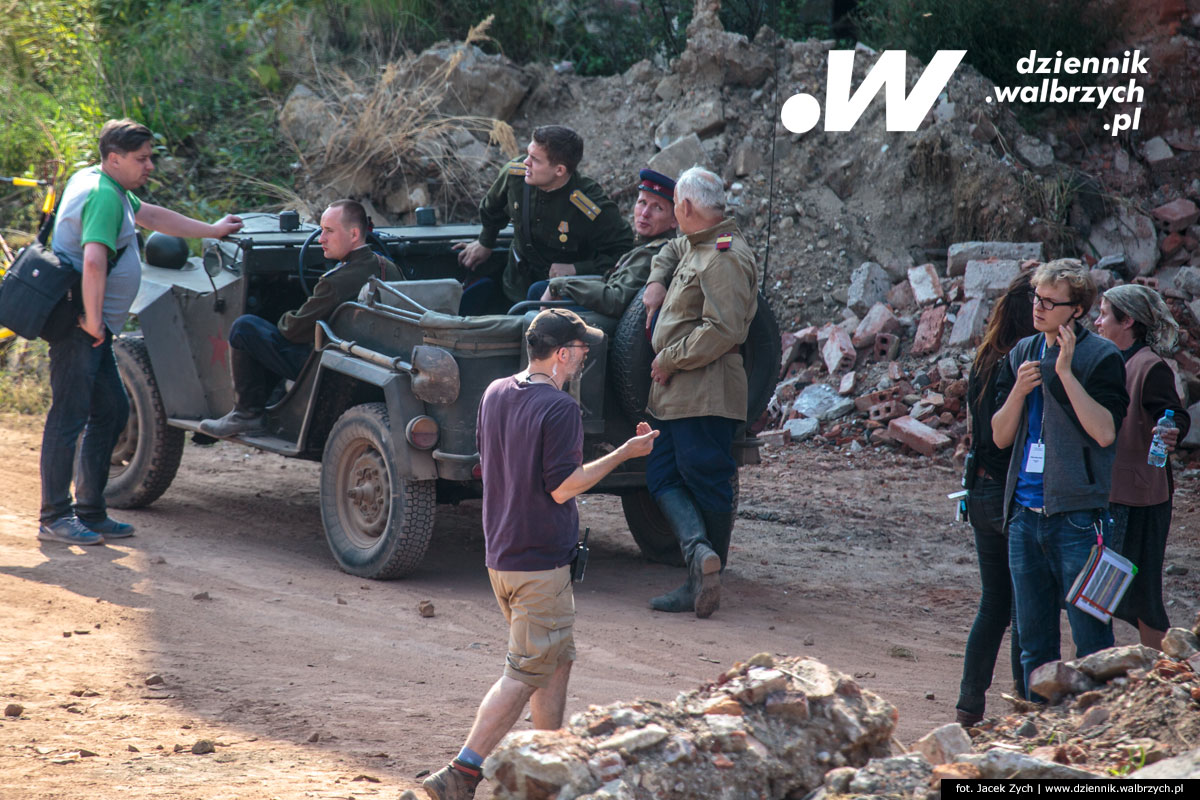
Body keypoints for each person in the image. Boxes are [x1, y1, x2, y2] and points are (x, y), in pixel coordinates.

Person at [410, 309, 658, 800]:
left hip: (502, 555)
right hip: (540, 562)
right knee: (524, 673)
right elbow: (564, 487)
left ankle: (550, 763)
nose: (586, 354)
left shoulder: (496, 391)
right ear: (563, 353)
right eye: (583, 347)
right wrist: (625, 453)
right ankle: (461, 772)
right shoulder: (561, 409)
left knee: (556, 659)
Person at [39, 118, 243, 546]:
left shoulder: (105, 184)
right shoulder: (103, 196)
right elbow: (94, 260)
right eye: (142, 158)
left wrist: (211, 230)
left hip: (93, 330)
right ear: (115, 158)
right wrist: (94, 321)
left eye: (150, 157)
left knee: (111, 410)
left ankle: (90, 511)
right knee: (68, 418)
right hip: (81, 328)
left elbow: (149, 215)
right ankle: (56, 516)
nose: (150, 165)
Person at [991, 259, 1128, 699]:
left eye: (1051, 302)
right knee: (1034, 645)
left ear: (1076, 310)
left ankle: (1096, 731)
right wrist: (1018, 391)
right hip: (1024, 519)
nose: (1039, 307)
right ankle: (1040, 740)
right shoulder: (1023, 353)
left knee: (1092, 641)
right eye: (1037, 298)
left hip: (1080, 520)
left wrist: (1065, 374)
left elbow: (1105, 431)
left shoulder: (1101, 357)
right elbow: (999, 436)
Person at [639, 166, 758, 618]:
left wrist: (669, 358)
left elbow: (723, 329)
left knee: (705, 476)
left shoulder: (723, 255)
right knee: (661, 475)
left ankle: (707, 576)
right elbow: (670, 249)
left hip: (705, 390)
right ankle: (698, 555)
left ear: (684, 208)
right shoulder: (698, 243)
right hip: (678, 395)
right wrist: (655, 280)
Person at [199, 200, 400, 438]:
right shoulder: (387, 267)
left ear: (354, 234)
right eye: (321, 230)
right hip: (375, 360)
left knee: (245, 328)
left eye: (329, 231)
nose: (320, 239)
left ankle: (247, 415)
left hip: (326, 368)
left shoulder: (335, 281)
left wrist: (282, 315)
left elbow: (292, 330)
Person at [954, 270, 1035, 727]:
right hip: (1007, 493)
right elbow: (1002, 436)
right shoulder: (1018, 366)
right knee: (1024, 605)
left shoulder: (985, 358)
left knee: (994, 604)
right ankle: (1025, 705)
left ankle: (970, 703)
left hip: (980, 489)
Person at [1095, 284, 1189, 650]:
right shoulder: (1108, 360)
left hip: (1143, 500)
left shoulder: (1150, 367)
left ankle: (1166, 679)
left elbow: (1176, 415)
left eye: (1104, 314)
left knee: (1142, 595)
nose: (1098, 322)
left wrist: (1171, 433)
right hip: (1112, 494)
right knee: (1102, 591)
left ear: (1128, 320)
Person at [455, 125, 633, 313]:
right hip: (515, 285)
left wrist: (576, 269)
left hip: (561, 301)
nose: (525, 163)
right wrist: (485, 242)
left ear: (559, 170)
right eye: (527, 154)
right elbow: (491, 208)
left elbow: (623, 251)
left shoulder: (587, 203)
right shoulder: (515, 176)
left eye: (535, 160)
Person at [534, 168, 678, 317]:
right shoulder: (644, 245)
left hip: (606, 321)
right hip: (606, 307)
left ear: (675, 220)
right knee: (538, 289)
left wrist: (561, 285)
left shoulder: (653, 254)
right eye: (642, 202)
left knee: (537, 297)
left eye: (657, 208)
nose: (645, 213)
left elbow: (614, 300)